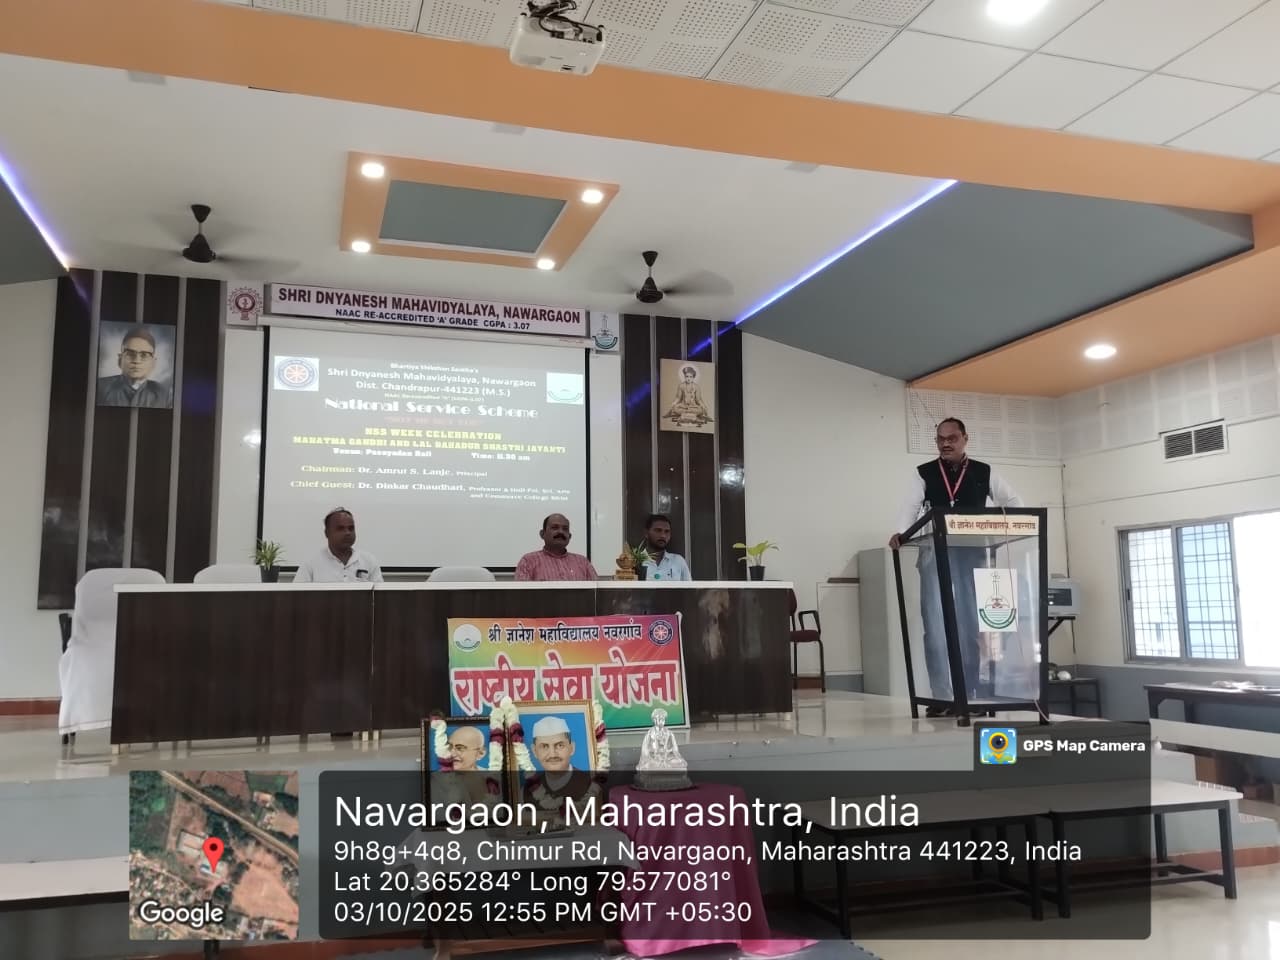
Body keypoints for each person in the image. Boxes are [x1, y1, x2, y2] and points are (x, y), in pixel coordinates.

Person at [889, 418, 1023, 716]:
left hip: (973, 554)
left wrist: (1012, 524)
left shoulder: (984, 472)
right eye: (940, 439)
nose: (945, 443)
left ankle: (971, 693)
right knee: (935, 627)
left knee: (970, 625)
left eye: (951, 438)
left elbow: (1015, 502)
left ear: (965, 438)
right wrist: (900, 532)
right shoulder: (924, 473)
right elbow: (909, 509)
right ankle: (941, 697)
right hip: (934, 552)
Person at [294, 508, 383, 583]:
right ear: (327, 533)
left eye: (351, 528)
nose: (347, 533)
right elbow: (297, 595)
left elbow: (380, 595)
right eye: (340, 528)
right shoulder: (310, 563)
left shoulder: (369, 560)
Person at [96, 325, 172, 408]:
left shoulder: (164, 395)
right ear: (120, 360)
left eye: (144, 355)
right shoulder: (99, 387)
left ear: (153, 363)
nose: (136, 361)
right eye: (130, 354)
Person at [523, 715, 592, 804]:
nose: (552, 754)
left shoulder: (590, 784)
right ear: (535, 751)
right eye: (544, 746)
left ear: (572, 748)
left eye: (560, 745)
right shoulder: (527, 791)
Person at [514, 514, 597, 582]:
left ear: (569, 536)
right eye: (554, 527)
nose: (561, 532)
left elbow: (598, 592)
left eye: (565, 529)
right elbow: (521, 594)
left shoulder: (583, 562)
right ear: (542, 534)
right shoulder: (528, 561)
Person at [639, 513, 691, 581]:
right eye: (658, 530)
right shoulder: (636, 562)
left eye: (667, 531)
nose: (663, 535)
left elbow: (689, 587)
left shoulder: (678, 561)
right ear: (646, 533)